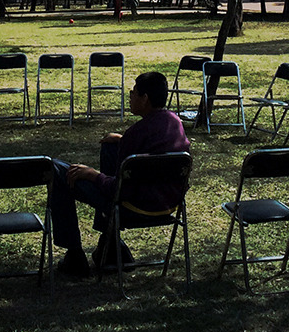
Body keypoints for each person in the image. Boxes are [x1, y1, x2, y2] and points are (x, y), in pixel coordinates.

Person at [50, 70, 190, 277]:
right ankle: (111, 247)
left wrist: (92, 174)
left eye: (134, 92)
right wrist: (123, 141)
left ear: (145, 99)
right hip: (169, 204)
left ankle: (75, 256)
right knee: (110, 148)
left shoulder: (137, 133)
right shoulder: (174, 123)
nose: (130, 96)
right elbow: (154, 149)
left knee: (58, 171)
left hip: (133, 207)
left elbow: (117, 190)